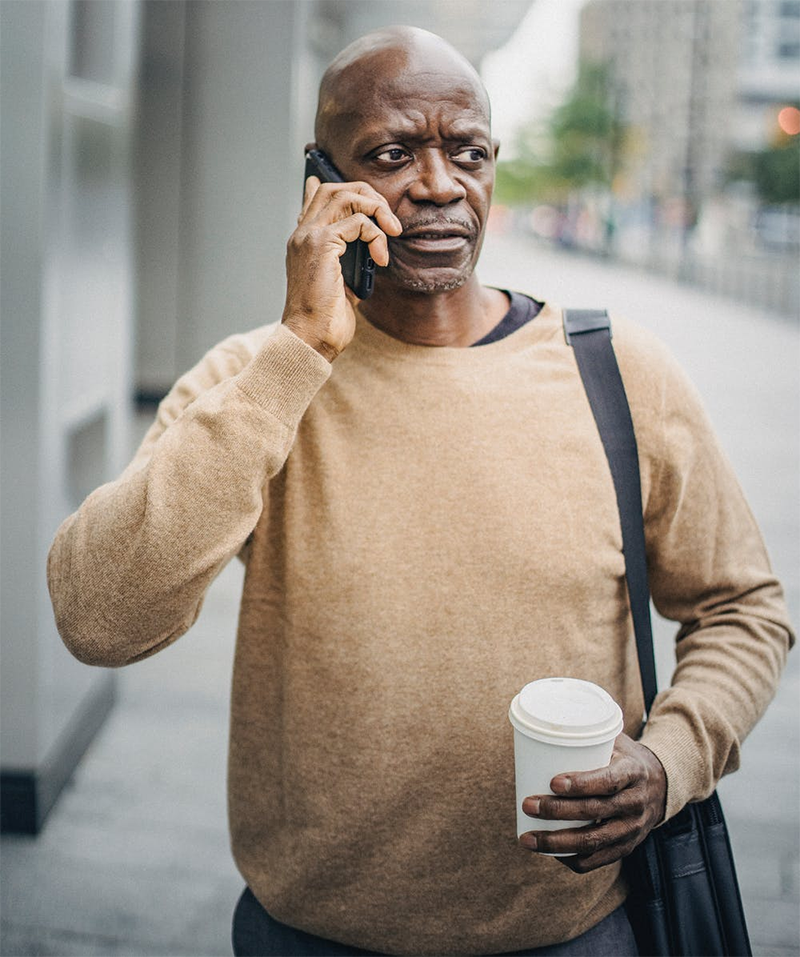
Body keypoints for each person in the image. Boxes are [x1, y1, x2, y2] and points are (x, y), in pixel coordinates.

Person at [47, 25, 793, 957]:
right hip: (310, 936)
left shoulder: (618, 371)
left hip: (577, 931)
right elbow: (98, 616)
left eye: (467, 151)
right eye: (393, 153)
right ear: (322, 178)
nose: (440, 184)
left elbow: (743, 609)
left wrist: (671, 760)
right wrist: (300, 351)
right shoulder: (258, 380)